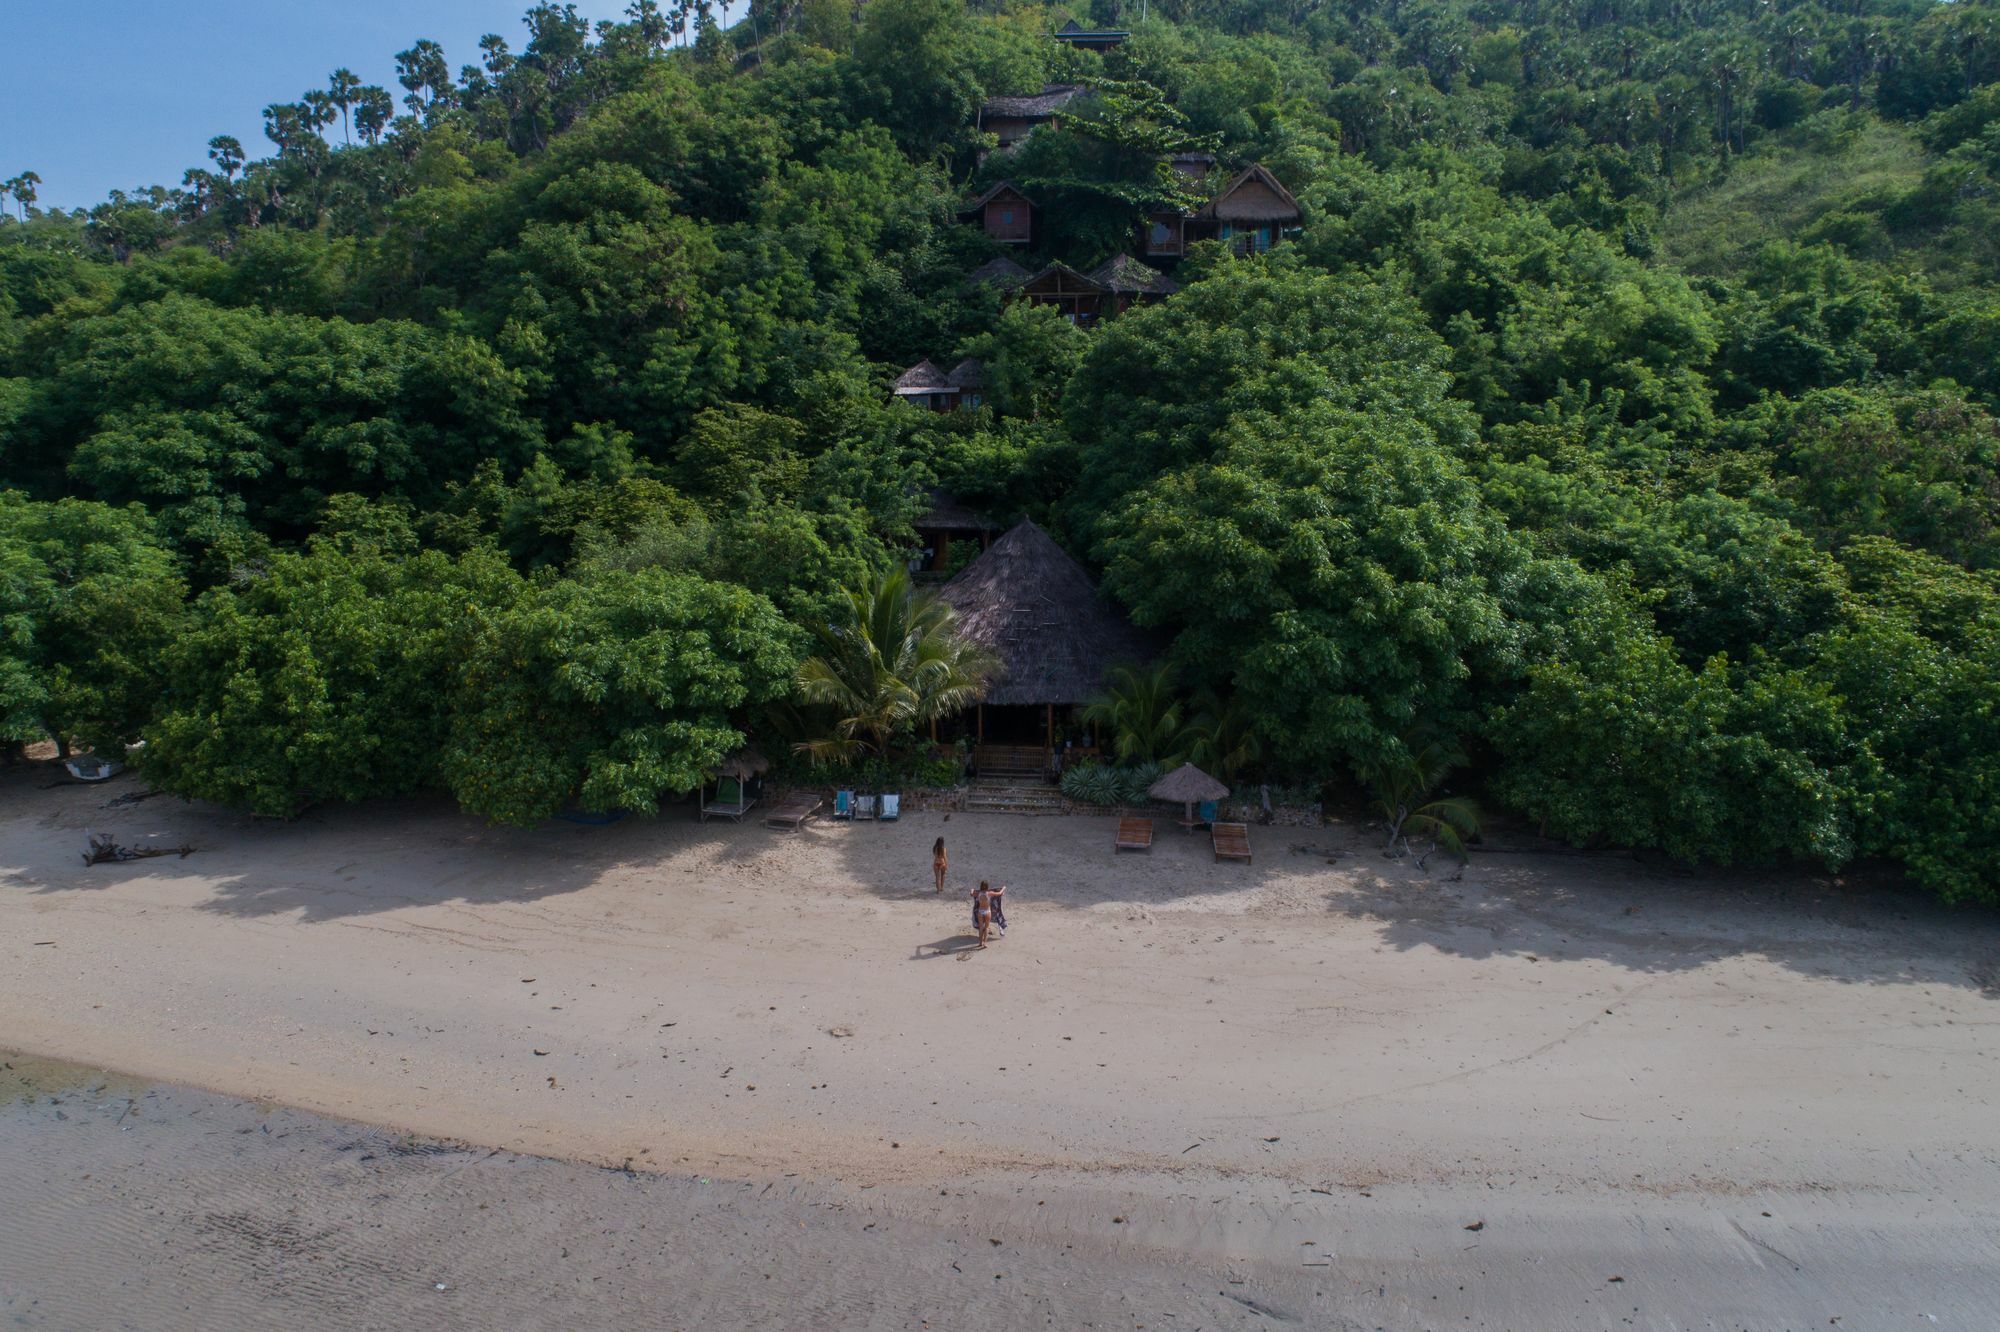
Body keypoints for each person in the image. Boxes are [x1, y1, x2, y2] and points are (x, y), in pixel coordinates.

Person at [971, 882, 993, 950]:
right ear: (987, 886)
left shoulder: (978, 894)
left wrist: (972, 889)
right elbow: (999, 893)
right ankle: (985, 943)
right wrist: (1003, 888)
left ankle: (980, 942)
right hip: (987, 911)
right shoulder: (989, 893)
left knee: (981, 928)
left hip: (980, 911)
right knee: (986, 928)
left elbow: (971, 894)